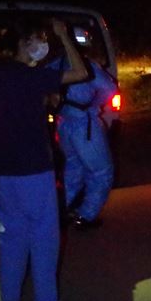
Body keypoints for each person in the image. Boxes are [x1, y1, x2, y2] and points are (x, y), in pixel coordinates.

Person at [0, 16, 88, 301]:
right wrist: (64, 35)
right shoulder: (32, 76)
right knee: (44, 236)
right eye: (39, 38)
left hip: (3, 170)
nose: (44, 44)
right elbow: (81, 72)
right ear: (23, 43)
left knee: (11, 236)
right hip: (33, 169)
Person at [54, 28, 118, 229]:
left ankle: (59, 211)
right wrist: (92, 105)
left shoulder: (57, 64)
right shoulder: (88, 66)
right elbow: (109, 89)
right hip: (84, 125)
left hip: (64, 123)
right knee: (101, 171)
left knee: (73, 167)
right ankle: (86, 215)